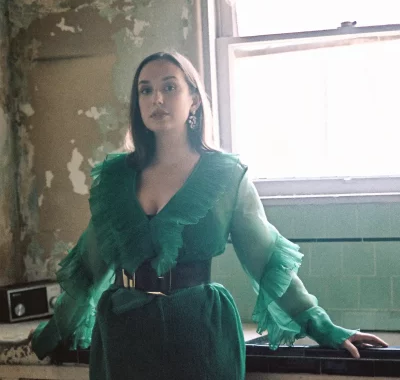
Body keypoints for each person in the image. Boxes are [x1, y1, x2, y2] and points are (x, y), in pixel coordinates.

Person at [31, 51, 387, 379]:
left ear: (194, 101)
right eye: (145, 90)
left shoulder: (225, 175)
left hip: (199, 335)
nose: (156, 98)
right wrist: (52, 332)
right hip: (125, 339)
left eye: (169, 87)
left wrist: (322, 327)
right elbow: (89, 270)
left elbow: (266, 261)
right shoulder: (114, 178)